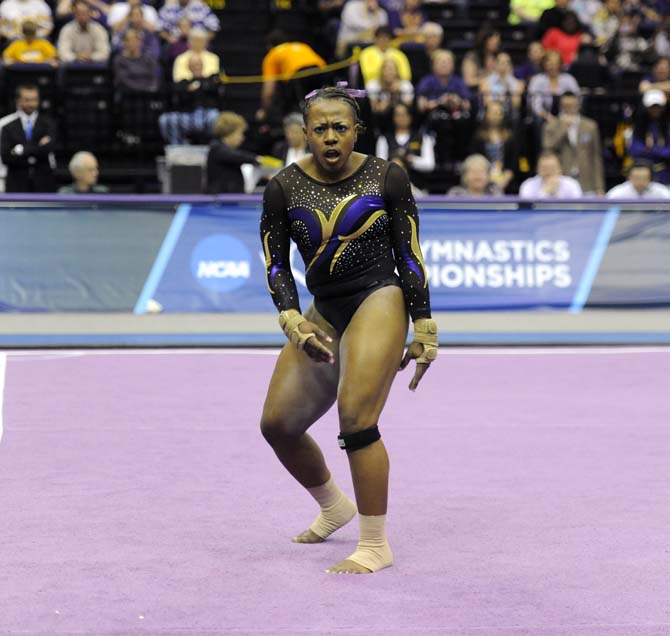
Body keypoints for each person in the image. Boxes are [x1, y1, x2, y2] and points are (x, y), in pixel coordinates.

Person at [259, 85, 437, 574]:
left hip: (381, 295)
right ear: (304, 133)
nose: (331, 137)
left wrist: (423, 322)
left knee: (356, 419)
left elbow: (410, 254)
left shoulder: (387, 177)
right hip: (324, 308)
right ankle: (334, 505)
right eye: (321, 128)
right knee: (278, 424)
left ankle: (375, 544)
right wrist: (292, 318)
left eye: (341, 127)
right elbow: (276, 265)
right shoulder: (283, 188)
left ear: (357, 131)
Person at [542, 91, 604, 195]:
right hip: (561, 179)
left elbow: (595, 157)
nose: (569, 109)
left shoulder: (590, 126)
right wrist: (563, 130)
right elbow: (547, 148)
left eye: (572, 106)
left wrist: (599, 187)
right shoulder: (551, 126)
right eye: (566, 106)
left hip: (586, 180)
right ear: (561, 106)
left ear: (578, 105)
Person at [206, 111, 280, 193]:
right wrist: (259, 160)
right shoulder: (217, 148)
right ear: (230, 132)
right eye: (240, 133)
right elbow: (237, 156)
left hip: (231, 199)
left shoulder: (224, 150)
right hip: (219, 201)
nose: (242, 138)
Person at [0, 84, 56, 192]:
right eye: (27, 100)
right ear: (18, 101)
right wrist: (38, 148)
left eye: (34, 99)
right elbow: (6, 157)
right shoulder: (7, 126)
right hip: (16, 184)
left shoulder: (49, 124)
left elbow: (48, 149)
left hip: (44, 183)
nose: (31, 104)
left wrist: (21, 150)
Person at [113, 27, 159, 93]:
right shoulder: (119, 60)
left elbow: (153, 77)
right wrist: (140, 90)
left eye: (135, 40)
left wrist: (150, 88)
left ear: (140, 42)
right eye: (129, 40)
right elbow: (123, 80)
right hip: (128, 94)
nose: (132, 43)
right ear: (124, 43)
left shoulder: (148, 59)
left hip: (147, 94)